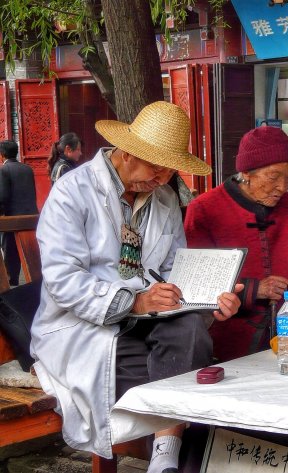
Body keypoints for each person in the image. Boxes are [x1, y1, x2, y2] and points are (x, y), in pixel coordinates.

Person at [30, 101, 242, 473]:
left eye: (168, 170)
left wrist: (211, 297)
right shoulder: (73, 192)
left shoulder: (164, 199)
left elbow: (174, 268)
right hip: (84, 328)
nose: (161, 178)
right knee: (192, 375)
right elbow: (64, 280)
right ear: (127, 152)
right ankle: (172, 453)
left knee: (190, 330)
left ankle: (164, 454)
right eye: (155, 167)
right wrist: (136, 303)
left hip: (148, 324)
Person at [184, 126, 288, 362]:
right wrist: (254, 289)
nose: (283, 187)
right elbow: (195, 282)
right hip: (226, 335)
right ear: (247, 172)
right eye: (273, 177)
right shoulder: (205, 209)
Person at [0, 140, 38, 285]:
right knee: (29, 248)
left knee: (10, 249)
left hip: (12, 218)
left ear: (2, 155)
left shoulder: (4, 170)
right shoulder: (27, 169)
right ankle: (34, 277)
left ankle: (12, 279)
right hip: (30, 215)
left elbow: (3, 196)